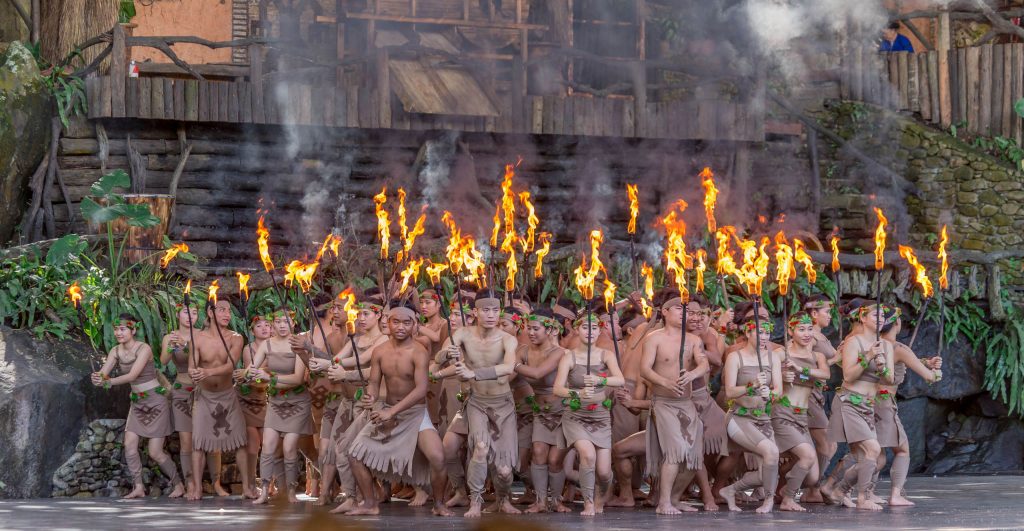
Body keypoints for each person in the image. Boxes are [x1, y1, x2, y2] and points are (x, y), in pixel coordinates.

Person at [342, 303, 453, 517]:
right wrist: (371, 396)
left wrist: (391, 413)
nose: (401, 326)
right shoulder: (380, 351)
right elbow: (374, 382)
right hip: (386, 410)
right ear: (388, 323)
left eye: (407, 322)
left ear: (414, 325)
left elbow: (421, 390)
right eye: (396, 321)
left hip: (415, 414)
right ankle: (369, 503)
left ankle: (439, 503)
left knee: (438, 457)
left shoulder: (418, 352)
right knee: (354, 454)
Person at [440, 290, 519, 518]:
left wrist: (473, 374)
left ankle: (503, 500)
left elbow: (508, 368)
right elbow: (438, 360)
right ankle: (475, 501)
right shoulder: (463, 333)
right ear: (475, 312)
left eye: (495, 310)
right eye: (485, 310)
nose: (491, 315)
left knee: (504, 471)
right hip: (476, 403)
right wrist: (447, 353)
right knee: (480, 449)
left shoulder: (508, 339)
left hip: (503, 404)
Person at [93, 314, 184, 499]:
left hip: (156, 402)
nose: (119, 332)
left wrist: (109, 382)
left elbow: (132, 375)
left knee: (155, 452)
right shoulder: (115, 351)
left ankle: (178, 484)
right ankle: (138, 487)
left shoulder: (144, 348)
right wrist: (98, 378)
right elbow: (103, 374)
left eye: (123, 329)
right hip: (137, 402)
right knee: (130, 446)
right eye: (116, 329)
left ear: (133, 330)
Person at [639, 291, 709, 515]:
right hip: (663, 402)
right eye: (679, 308)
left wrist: (692, 375)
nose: (684, 313)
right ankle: (663, 503)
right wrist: (665, 382)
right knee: (676, 450)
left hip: (686, 403)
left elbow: (704, 365)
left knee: (693, 455)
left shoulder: (694, 340)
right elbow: (645, 370)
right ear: (665, 311)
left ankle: (675, 498)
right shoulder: (654, 338)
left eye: (685, 309)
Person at [822, 303, 895, 511]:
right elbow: (848, 375)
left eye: (883, 315)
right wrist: (869, 357)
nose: (880, 318)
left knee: (861, 456)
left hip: (868, 405)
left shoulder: (886, 346)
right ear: (863, 318)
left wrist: (882, 369)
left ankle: (836, 490)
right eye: (875, 314)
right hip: (849, 401)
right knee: (872, 449)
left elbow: (889, 380)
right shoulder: (853, 342)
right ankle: (862, 498)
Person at [553, 311, 626, 516]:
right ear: (577, 329)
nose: (590, 332)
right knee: (587, 455)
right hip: (575, 416)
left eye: (594, 328)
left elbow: (620, 379)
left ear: (599, 330)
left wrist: (600, 381)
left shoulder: (606, 355)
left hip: (600, 417)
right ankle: (588, 503)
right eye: (585, 327)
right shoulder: (569, 356)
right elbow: (557, 389)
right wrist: (578, 392)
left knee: (604, 472)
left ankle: (600, 498)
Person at [326, 295, 389, 514]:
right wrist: (325, 363)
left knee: (358, 451)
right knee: (343, 447)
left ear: (378, 315)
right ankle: (352, 497)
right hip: (353, 400)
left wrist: (343, 373)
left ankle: (369, 497)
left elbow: (364, 364)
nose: (361, 318)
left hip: (377, 404)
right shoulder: (355, 339)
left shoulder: (384, 340)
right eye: (359, 314)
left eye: (366, 314)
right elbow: (337, 358)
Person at [876, 307, 942, 506]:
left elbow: (904, 361)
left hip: (865, 401)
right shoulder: (898, 348)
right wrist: (936, 373)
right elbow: (928, 376)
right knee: (902, 450)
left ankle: (858, 491)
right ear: (897, 323)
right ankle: (895, 495)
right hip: (883, 403)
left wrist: (926, 361)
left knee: (874, 453)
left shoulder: (873, 345)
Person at [719, 314, 783, 513]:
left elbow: (779, 391)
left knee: (770, 469)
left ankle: (730, 490)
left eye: (767, 332)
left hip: (762, 417)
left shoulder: (773, 357)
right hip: (739, 417)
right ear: (748, 332)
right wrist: (752, 385)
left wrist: (770, 393)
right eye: (760, 332)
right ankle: (769, 501)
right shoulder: (735, 357)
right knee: (772, 453)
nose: (765, 336)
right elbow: (729, 392)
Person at [187, 300, 249, 501]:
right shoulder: (197, 338)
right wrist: (194, 373)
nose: (227, 314)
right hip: (204, 396)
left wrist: (207, 372)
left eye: (229, 310)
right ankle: (196, 488)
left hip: (227, 395)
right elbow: (191, 366)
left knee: (240, 441)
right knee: (198, 442)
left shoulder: (236, 338)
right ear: (210, 312)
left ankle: (248, 487)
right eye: (221, 309)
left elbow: (230, 366)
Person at [249, 309, 312, 504]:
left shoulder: (298, 345)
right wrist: (250, 372)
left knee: (289, 446)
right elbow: (254, 369)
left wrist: (270, 378)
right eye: (278, 321)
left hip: (298, 402)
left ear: (293, 324)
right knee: (267, 446)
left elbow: (297, 379)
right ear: (273, 325)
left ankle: (291, 491)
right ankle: (265, 491)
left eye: (286, 321)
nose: (282, 325)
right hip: (276, 402)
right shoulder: (267, 345)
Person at [513, 308, 571, 513]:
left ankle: (556, 500)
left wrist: (515, 365)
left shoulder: (558, 353)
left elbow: (538, 374)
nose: (531, 333)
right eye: (529, 328)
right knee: (538, 453)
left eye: (536, 329)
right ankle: (540, 501)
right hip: (540, 411)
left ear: (550, 330)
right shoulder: (523, 350)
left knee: (555, 460)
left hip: (562, 412)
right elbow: (507, 373)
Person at [770, 311, 830, 512]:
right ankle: (788, 498)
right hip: (783, 412)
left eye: (809, 329)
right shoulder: (780, 354)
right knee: (806, 456)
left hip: (802, 416)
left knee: (812, 476)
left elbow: (825, 374)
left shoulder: (817, 356)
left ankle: (776, 484)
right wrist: (781, 375)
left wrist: (800, 369)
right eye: (801, 329)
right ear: (790, 331)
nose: (806, 333)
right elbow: (769, 382)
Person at [297, 299, 346, 506]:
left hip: (349, 400)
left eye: (339, 308)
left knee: (344, 450)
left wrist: (310, 347)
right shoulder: (332, 337)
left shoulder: (358, 339)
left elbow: (338, 361)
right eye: (332, 307)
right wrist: (302, 353)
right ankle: (325, 492)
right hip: (331, 399)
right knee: (324, 449)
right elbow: (320, 367)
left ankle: (360, 493)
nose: (333, 312)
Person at [800, 294, 837, 504]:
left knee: (827, 445)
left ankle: (809, 487)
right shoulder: (808, 337)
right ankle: (812, 489)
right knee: (827, 444)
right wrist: (832, 362)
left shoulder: (822, 337)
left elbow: (834, 360)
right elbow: (801, 370)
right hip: (808, 395)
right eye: (826, 312)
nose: (830, 316)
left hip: (818, 394)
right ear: (814, 314)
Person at [160, 304, 200, 498]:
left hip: (203, 391)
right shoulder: (171, 336)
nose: (190, 316)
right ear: (177, 314)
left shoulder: (203, 335)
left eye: (194, 313)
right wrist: (171, 346)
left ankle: (211, 483)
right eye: (186, 312)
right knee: (186, 441)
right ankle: (190, 482)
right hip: (181, 389)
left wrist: (188, 346)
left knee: (205, 439)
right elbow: (163, 361)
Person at [232, 314, 273, 499]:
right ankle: (249, 484)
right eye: (259, 326)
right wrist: (266, 371)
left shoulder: (276, 346)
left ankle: (269, 484)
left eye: (267, 325)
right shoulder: (249, 349)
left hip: (265, 398)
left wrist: (263, 372)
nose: (264, 328)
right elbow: (251, 374)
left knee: (270, 444)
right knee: (252, 445)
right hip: (247, 398)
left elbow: (265, 371)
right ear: (252, 330)